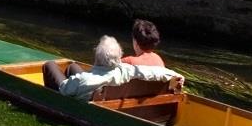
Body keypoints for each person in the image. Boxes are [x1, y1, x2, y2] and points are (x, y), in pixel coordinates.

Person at [41, 35, 183, 101]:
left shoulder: (85, 80)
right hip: (105, 92)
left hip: (85, 93)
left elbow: (65, 89)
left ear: (97, 57)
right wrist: (175, 74)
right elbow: (154, 72)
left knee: (50, 65)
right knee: (72, 66)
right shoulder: (127, 70)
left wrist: (71, 82)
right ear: (119, 56)